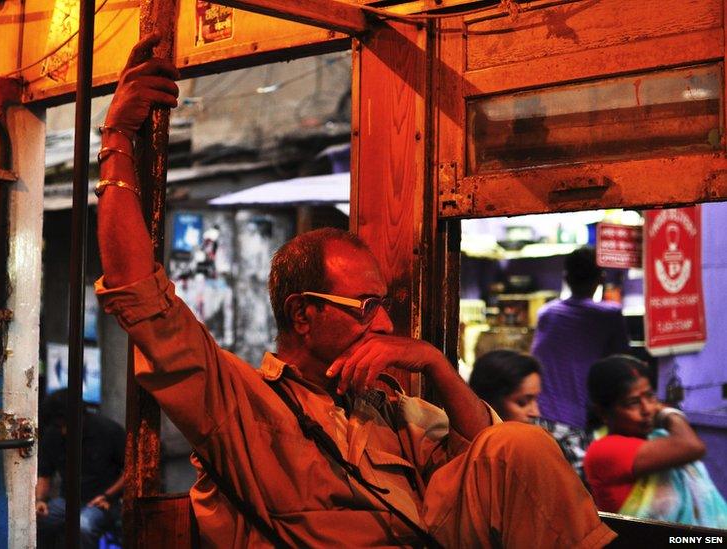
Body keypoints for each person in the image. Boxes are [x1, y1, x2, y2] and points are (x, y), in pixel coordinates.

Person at [94, 34, 615, 547]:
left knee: (519, 443)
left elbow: (499, 466)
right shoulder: (245, 404)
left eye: (383, 306)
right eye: (367, 307)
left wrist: (434, 363)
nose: (385, 325)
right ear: (303, 315)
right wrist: (117, 138)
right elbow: (139, 294)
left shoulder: (388, 407)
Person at [584, 355, 727, 527]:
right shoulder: (604, 450)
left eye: (650, 396)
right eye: (633, 403)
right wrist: (668, 413)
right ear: (603, 413)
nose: (648, 409)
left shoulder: (658, 437)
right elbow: (691, 446)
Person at [531, 245, 629, 428]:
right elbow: (622, 366)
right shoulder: (609, 315)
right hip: (579, 420)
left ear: (566, 278)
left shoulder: (547, 313)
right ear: (601, 278)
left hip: (539, 415)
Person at [469, 349, 593, 481]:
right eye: (522, 402)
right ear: (490, 402)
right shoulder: (467, 443)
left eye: (536, 399)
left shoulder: (564, 441)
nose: (535, 412)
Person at [36, 389, 125, 549]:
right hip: (67, 501)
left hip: (102, 502)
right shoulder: (53, 435)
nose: (63, 431)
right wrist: (40, 501)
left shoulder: (108, 431)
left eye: (65, 424)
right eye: (59, 425)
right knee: (36, 521)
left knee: (83, 526)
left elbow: (130, 471)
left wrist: (107, 496)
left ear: (80, 417)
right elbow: (45, 474)